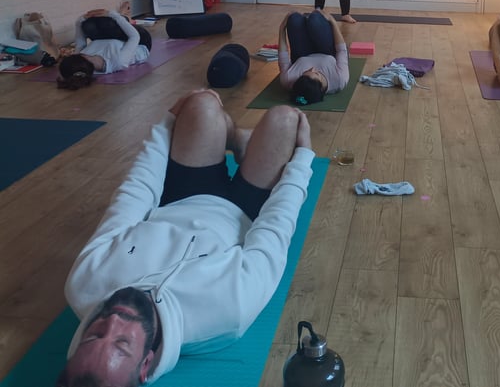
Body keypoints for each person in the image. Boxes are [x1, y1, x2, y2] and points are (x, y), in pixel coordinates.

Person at [58, 89, 314, 386]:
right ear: (147, 363)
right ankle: (237, 142)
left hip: (181, 197)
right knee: (287, 120)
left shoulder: (84, 283)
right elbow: (275, 228)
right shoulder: (229, 312)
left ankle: (234, 139)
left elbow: (132, 198)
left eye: (94, 335)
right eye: (122, 342)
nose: (113, 320)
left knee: (201, 103)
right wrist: (302, 160)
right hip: (245, 213)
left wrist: (166, 124)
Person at [58, 4, 152, 89]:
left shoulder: (83, 63)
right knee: (107, 23)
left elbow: (80, 41)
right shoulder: (119, 61)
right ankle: (125, 17)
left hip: (109, 40)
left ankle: (122, 16)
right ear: (84, 57)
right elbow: (134, 36)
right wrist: (113, 14)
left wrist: (82, 19)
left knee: (88, 24)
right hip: (140, 42)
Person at [278, 9, 349, 105]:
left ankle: (301, 21)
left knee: (294, 19)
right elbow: (342, 50)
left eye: (305, 72)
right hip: (327, 52)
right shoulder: (339, 79)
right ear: (322, 87)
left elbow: (283, 57)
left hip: (301, 54)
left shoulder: (288, 80)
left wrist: (282, 28)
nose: (312, 68)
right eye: (316, 73)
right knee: (315, 19)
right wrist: (332, 21)